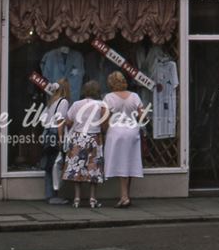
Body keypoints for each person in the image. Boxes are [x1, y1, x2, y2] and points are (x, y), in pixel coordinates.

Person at [62, 80, 108, 209]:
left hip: (78, 137)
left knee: (78, 168)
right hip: (94, 138)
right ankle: (92, 199)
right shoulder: (101, 105)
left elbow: (68, 121)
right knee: (94, 168)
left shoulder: (77, 104)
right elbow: (104, 125)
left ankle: (77, 198)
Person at [103, 71, 145, 208]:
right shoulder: (135, 96)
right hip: (132, 131)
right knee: (130, 161)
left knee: (121, 163)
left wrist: (104, 130)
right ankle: (126, 195)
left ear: (111, 83)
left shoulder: (109, 97)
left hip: (116, 132)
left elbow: (105, 118)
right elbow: (143, 116)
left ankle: (124, 196)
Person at [40, 78, 70, 205]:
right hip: (54, 133)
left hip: (47, 132)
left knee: (49, 165)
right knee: (57, 165)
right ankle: (54, 195)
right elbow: (60, 122)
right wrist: (61, 139)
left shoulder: (51, 102)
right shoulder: (63, 102)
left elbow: (43, 119)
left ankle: (49, 194)